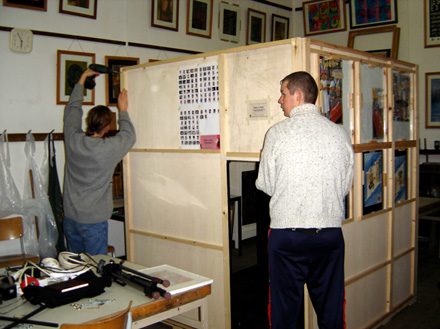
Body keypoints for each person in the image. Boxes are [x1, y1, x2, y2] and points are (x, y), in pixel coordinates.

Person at [255, 71, 354, 329]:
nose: (279, 100)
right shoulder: (340, 133)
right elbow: (345, 186)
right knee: (332, 310)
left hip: (287, 237)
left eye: (283, 93)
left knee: (284, 311)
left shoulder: (276, 134)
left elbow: (265, 184)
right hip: (329, 235)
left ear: (297, 96)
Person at [63, 68, 136, 255]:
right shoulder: (108, 149)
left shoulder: (73, 140)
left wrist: (82, 79)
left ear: (89, 121)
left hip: (70, 218)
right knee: (96, 269)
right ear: (108, 126)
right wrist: (123, 110)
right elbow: (129, 136)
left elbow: (72, 110)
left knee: (76, 269)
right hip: (93, 221)